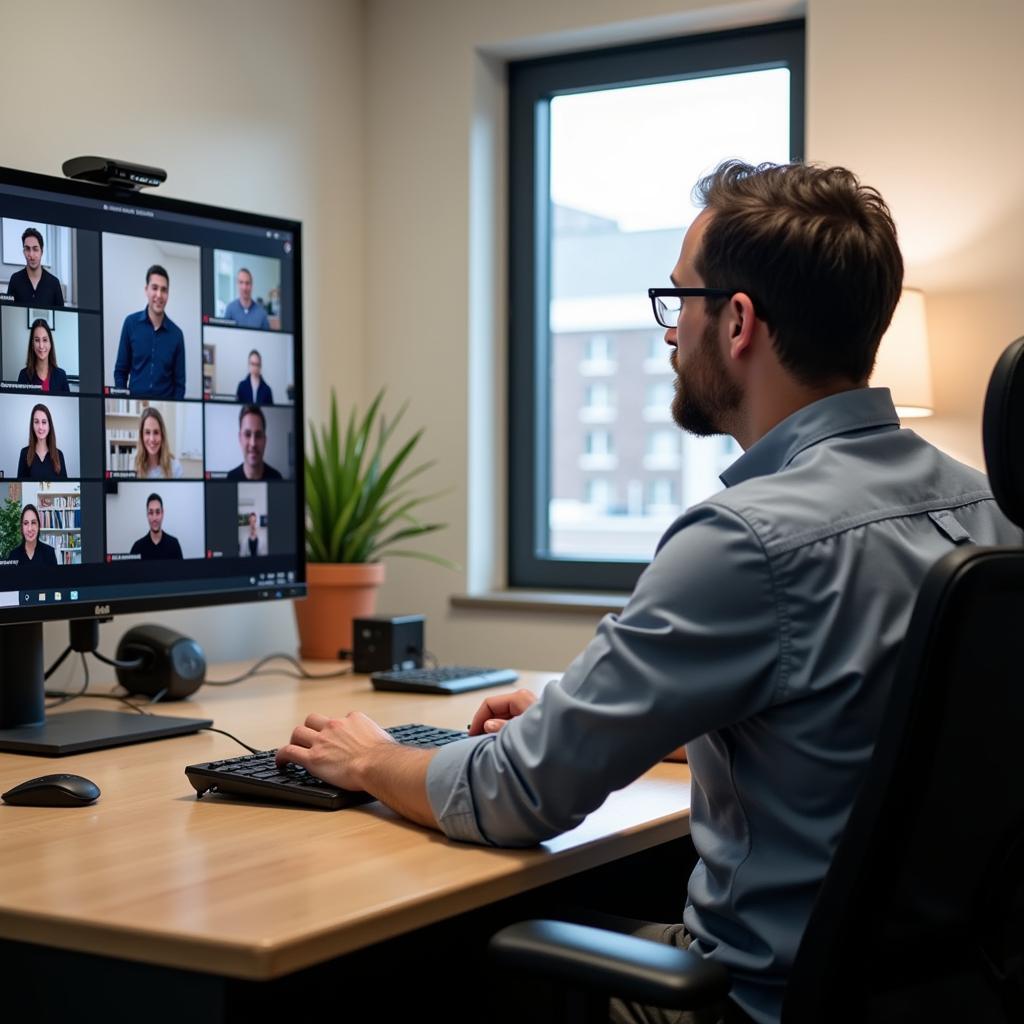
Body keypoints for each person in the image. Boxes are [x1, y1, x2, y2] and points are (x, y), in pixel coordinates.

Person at [274, 161, 1023, 1024]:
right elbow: (878, 734)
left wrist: (372, 760)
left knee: (408, 968)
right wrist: (615, 724)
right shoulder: (995, 508)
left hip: (746, 1004)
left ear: (738, 321)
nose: (670, 336)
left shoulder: (745, 539)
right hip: (937, 995)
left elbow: (516, 796)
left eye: (680, 302)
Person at [113, 265, 186, 399]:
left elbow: (179, 385)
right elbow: (120, 372)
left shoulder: (177, 335)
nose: (159, 295)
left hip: (166, 406)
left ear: (168, 294)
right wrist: (123, 400)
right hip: (134, 401)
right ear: (146, 290)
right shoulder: (130, 324)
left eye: (164, 290)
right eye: (154, 288)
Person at [6, 228, 65, 307]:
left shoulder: (54, 283)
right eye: (27, 249)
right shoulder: (15, 279)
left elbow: (60, 316)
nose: (31, 255)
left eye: (35, 249)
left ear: (41, 252)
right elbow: (8, 312)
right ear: (23, 252)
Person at [226, 404, 282, 480]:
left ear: (265, 440)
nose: (253, 443)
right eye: (247, 434)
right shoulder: (231, 478)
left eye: (258, 435)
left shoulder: (277, 478)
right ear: (240, 439)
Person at [17, 403, 68, 481]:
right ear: (32, 425)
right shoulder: (24, 453)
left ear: (49, 425)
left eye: (44, 422)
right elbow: (19, 488)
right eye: (36, 422)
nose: (40, 427)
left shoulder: (59, 455)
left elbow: (65, 488)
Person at [16, 319, 71, 393]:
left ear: (50, 343)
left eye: (45, 340)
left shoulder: (61, 376)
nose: (41, 346)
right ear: (32, 345)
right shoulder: (23, 375)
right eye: (37, 340)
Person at [129, 493, 183, 560]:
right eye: (151, 513)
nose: (154, 518)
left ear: (162, 514)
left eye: (157, 512)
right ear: (147, 515)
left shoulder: (174, 545)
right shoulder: (137, 547)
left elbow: (181, 570)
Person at [133, 406, 183, 479]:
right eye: (147, 432)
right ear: (141, 436)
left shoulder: (175, 467)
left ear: (162, 435)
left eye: (156, 432)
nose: (152, 439)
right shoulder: (133, 465)